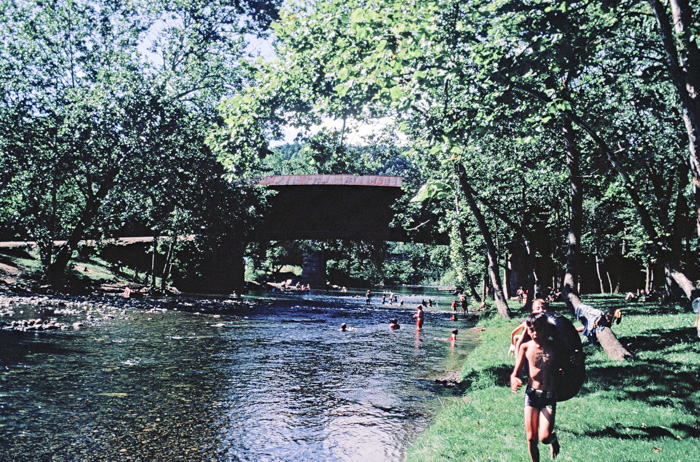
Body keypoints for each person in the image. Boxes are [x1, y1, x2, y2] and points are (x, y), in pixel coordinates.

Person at [510, 313, 561, 462]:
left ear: (546, 329)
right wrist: (515, 380)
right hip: (531, 395)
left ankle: (553, 440)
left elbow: (569, 363)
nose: (535, 333)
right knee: (531, 438)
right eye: (531, 330)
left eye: (538, 329)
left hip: (549, 396)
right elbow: (515, 373)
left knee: (544, 437)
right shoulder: (525, 347)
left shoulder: (554, 347)